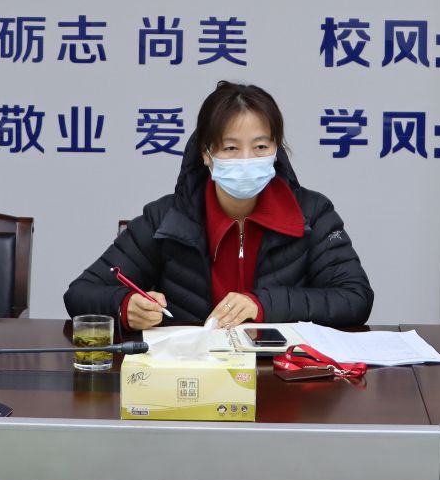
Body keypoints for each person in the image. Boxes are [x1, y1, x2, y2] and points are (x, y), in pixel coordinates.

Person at [63, 81, 372, 329]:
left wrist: (262, 304)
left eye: (260, 146)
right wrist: (125, 306)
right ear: (206, 154)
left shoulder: (313, 214)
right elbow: (80, 293)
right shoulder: (166, 218)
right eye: (231, 148)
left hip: (280, 375)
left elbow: (355, 298)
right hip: (190, 374)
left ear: (276, 149)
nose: (247, 159)